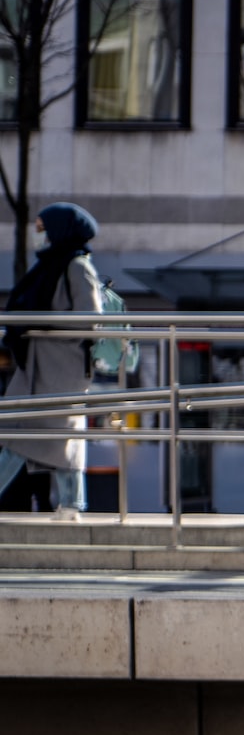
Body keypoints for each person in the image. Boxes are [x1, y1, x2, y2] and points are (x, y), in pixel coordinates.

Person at [0, 203, 105, 521]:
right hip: (41, 367)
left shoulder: (76, 265)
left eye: (42, 228)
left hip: (62, 369)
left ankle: (73, 504)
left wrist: (45, 324)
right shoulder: (52, 265)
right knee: (26, 434)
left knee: (40, 437)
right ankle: (73, 504)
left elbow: (92, 320)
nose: (38, 235)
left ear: (59, 229)